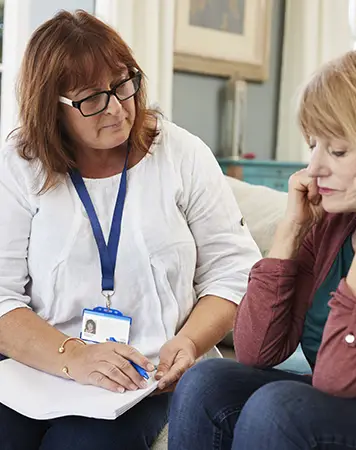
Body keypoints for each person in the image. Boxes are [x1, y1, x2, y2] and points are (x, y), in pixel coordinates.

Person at [0, 9, 260, 450]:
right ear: (52, 107)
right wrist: (77, 357)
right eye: (92, 99)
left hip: (149, 376)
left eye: (124, 84)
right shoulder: (20, 166)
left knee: (80, 444)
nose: (118, 108)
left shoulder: (180, 153)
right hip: (44, 368)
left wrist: (190, 342)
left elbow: (234, 272)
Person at [169, 45, 356, 450]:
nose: (314, 168)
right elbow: (256, 349)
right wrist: (290, 231)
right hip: (344, 408)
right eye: (313, 145)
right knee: (207, 381)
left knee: (281, 408)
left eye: (336, 150)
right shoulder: (334, 221)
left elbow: (338, 378)